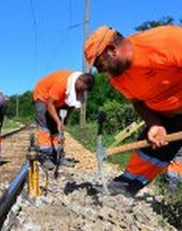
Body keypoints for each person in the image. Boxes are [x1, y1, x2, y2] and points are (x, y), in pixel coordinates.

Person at [85, 25, 182, 196]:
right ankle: (127, 186)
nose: (100, 71)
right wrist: (154, 124)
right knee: (148, 153)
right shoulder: (118, 79)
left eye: (100, 64)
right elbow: (137, 101)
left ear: (112, 49)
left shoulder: (167, 41)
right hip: (164, 115)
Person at [33, 70, 95, 169]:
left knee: (57, 130)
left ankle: (59, 157)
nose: (82, 91)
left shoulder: (76, 87)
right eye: (82, 88)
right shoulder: (61, 83)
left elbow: (71, 105)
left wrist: (65, 120)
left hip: (58, 100)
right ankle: (45, 157)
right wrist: (58, 121)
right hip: (43, 97)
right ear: (80, 80)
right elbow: (49, 104)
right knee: (45, 127)